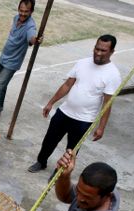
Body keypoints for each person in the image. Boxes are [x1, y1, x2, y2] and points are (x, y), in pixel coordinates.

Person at [28, 35, 121, 173]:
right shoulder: (82, 63)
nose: (98, 53)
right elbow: (67, 85)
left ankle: (59, 173)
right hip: (64, 112)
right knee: (49, 141)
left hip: (84, 120)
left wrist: (101, 127)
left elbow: (107, 104)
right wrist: (51, 103)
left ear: (112, 52)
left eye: (103, 50)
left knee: (71, 151)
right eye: (97, 48)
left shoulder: (113, 74)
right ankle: (41, 162)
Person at [0, 0, 40, 123]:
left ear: (31, 11)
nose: (23, 14)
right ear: (18, 9)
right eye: (21, 11)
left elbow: (31, 38)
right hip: (3, 57)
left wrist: (36, 40)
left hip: (12, 62)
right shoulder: (15, 18)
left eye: (26, 12)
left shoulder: (30, 26)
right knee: (0, 85)